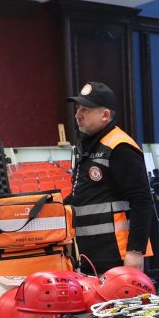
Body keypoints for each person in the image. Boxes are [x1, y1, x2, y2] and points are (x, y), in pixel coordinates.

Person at [66, 81, 154, 273]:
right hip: (89, 252)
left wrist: (135, 251)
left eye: (85, 110)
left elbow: (142, 200)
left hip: (116, 255)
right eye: (78, 108)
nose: (77, 115)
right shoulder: (89, 146)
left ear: (105, 115)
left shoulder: (120, 147)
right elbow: (84, 195)